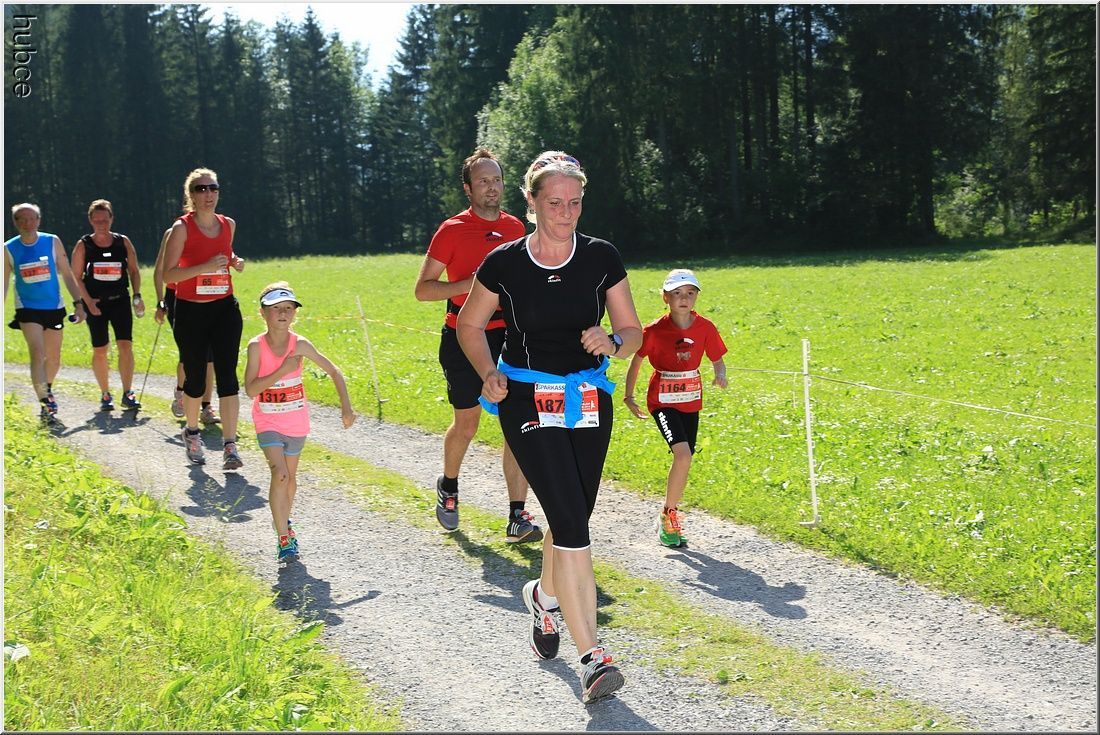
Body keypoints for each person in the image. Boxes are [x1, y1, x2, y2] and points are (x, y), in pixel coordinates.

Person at [457, 151, 642, 705]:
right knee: (569, 518)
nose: (566, 213)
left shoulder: (602, 257)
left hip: (587, 396)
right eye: (555, 203)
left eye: (575, 203)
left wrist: (612, 341)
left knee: (572, 515)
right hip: (527, 397)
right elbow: (469, 325)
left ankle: (543, 595)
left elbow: (632, 331)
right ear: (532, 203)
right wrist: (488, 372)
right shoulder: (505, 263)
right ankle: (593, 658)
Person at [414, 147, 541, 543]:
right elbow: (423, 290)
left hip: (510, 336)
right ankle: (449, 486)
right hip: (463, 335)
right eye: (483, 181)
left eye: (497, 180)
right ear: (468, 189)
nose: (492, 187)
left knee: (516, 424)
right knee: (467, 423)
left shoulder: (516, 228)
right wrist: (469, 285)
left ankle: (517, 515)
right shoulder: (452, 230)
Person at [244, 281, 356, 562]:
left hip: (295, 421)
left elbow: (334, 371)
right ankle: (284, 539)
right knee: (279, 474)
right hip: (267, 420)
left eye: (288, 308)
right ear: (263, 313)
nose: (283, 313)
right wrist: (283, 369)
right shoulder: (256, 347)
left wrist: (346, 407)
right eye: (276, 308)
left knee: (291, 479)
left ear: (294, 313)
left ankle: (283, 520)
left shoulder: (301, 345)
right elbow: (251, 389)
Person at [623, 269, 728, 548]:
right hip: (662, 401)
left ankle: (668, 511)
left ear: (696, 297)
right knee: (682, 455)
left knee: (685, 459)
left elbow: (717, 358)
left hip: (691, 400)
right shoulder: (654, 330)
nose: (684, 298)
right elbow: (637, 361)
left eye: (690, 293)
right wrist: (629, 395)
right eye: (677, 293)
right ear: (665, 298)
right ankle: (670, 518)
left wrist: (720, 374)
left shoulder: (706, 327)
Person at [161, 168, 245, 469]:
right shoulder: (181, 228)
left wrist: (235, 261)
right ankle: (192, 432)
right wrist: (204, 267)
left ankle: (230, 446)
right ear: (191, 195)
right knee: (195, 378)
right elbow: (168, 274)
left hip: (224, 309)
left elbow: (225, 254)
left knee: (228, 376)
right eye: (201, 189)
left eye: (213, 188)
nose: (208, 194)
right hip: (191, 312)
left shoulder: (228, 224)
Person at [4, 202, 86, 422]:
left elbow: (67, 274)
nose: (28, 223)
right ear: (15, 222)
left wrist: (78, 303)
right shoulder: (8, 248)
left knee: (54, 358)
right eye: (22, 219)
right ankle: (45, 402)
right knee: (37, 353)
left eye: (32, 218)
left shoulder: (52, 241)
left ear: (39, 221)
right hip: (27, 308)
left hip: (54, 307)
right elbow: (3, 283)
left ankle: (46, 390)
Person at [69, 199, 144, 411]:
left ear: (111, 219)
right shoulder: (84, 245)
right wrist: (88, 302)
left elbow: (134, 271)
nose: (101, 224)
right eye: (97, 220)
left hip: (120, 300)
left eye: (105, 220)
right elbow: (76, 277)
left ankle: (127, 393)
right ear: (90, 221)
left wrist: (137, 296)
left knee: (125, 346)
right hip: (96, 304)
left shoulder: (122, 242)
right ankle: (105, 394)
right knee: (100, 349)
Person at [153, 226, 218, 422]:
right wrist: (160, 301)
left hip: (208, 292)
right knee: (189, 352)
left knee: (210, 354)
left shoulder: (214, 229)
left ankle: (206, 407)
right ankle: (181, 392)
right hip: (178, 296)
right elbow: (159, 270)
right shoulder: (174, 232)